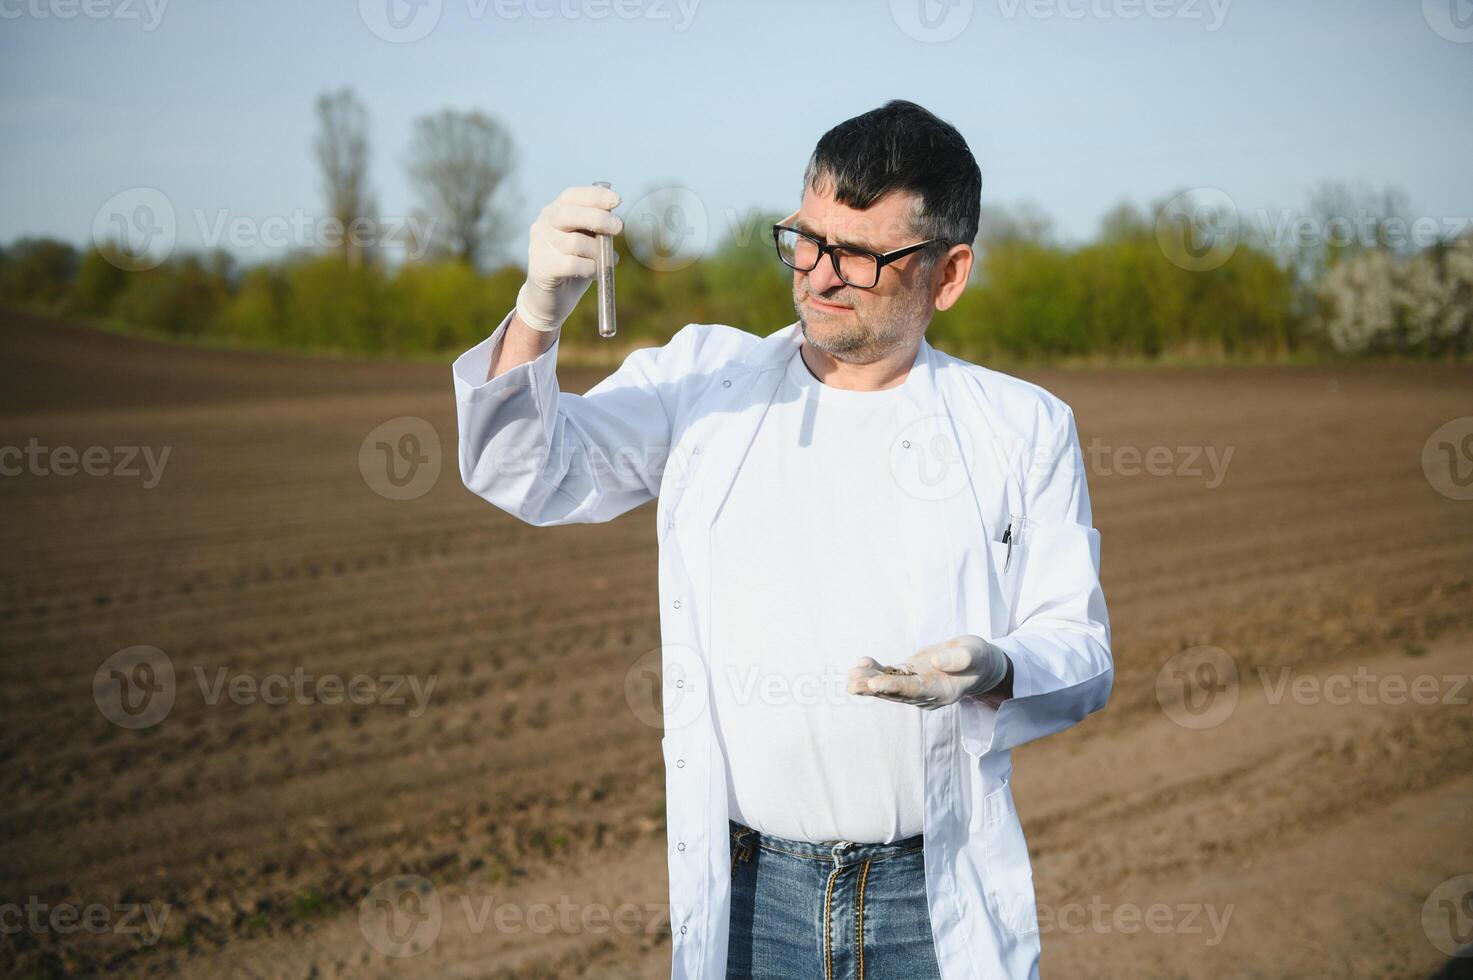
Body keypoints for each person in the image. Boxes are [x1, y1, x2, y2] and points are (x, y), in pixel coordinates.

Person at [451, 99, 1112, 980]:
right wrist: (537, 312)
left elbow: (1080, 648)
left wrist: (996, 666)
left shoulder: (1021, 426)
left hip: (929, 903)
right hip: (752, 902)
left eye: (860, 256)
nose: (818, 275)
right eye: (805, 239)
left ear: (947, 275)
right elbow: (525, 473)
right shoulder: (703, 383)